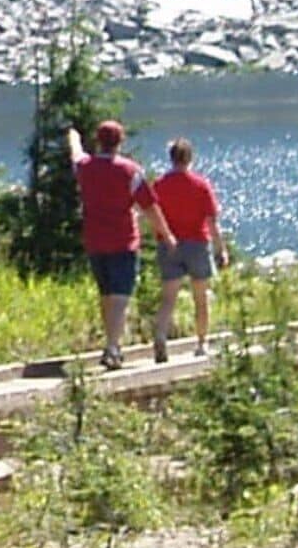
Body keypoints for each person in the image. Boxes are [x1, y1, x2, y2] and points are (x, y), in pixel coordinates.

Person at [65, 119, 147, 371]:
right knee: (120, 297)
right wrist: (166, 234)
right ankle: (112, 348)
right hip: (123, 240)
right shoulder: (130, 170)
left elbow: (76, 153)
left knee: (106, 295)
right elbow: (149, 206)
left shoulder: (85, 167)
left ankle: (112, 345)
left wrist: (73, 135)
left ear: (98, 141)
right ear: (120, 142)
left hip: (94, 240)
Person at [147, 138, 222, 361]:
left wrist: (159, 236)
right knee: (201, 297)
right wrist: (220, 248)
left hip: (169, 244)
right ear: (190, 158)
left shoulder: (159, 185)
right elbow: (211, 221)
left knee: (168, 297)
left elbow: (152, 214)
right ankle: (202, 343)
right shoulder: (200, 185)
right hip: (197, 244)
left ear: (171, 158)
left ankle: (160, 334)